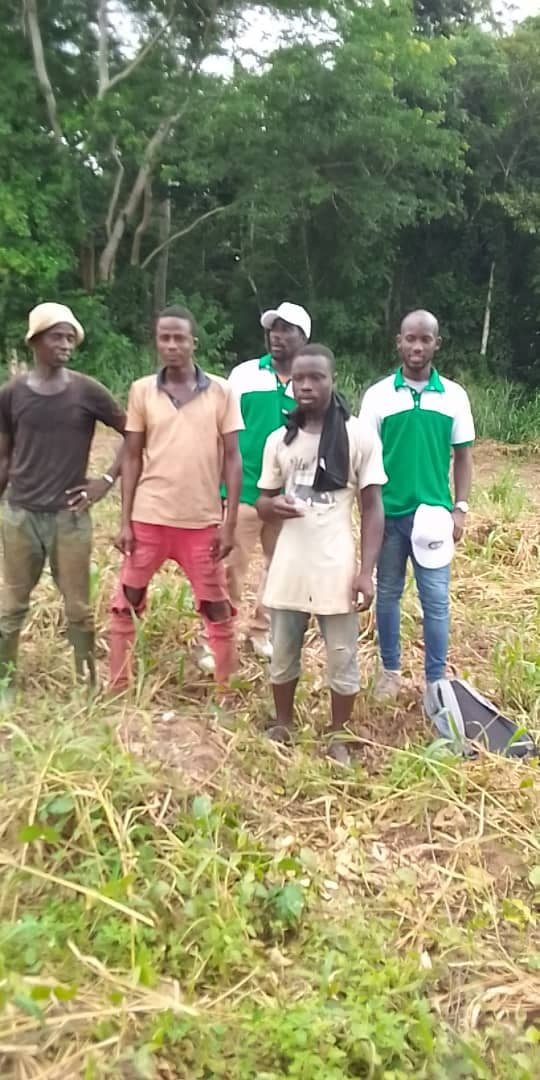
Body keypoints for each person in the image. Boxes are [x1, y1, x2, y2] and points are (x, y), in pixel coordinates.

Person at [256, 344, 386, 764]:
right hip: (290, 563)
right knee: (283, 650)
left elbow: (372, 507)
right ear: (290, 382)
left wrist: (366, 572)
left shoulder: (359, 436)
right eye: (299, 379)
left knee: (343, 657)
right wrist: (268, 507)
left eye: (316, 378)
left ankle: (339, 735)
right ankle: (282, 722)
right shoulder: (280, 439)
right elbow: (263, 499)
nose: (307, 386)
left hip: (336, 564)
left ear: (332, 380)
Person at [109, 305, 243, 691]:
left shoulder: (221, 391)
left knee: (216, 605)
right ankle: (118, 684)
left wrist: (228, 523)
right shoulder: (141, 390)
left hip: (201, 522)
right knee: (126, 599)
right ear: (157, 343)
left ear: (193, 343)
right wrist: (124, 521)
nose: (171, 345)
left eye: (179, 338)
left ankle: (224, 687)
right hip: (149, 516)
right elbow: (131, 456)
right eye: (164, 338)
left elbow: (233, 459)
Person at [0, 302, 125, 696]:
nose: (65, 344)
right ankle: (5, 680)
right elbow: (4, 453)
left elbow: (135, 432)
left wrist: (105, 480)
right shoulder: (12, 394)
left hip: (69, 517)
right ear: (35, 340)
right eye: (57, 336)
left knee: (78, 609)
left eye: (71, 337)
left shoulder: (87, 391)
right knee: (11, 606)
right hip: (20, 513)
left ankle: (85, 683)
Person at [359, 309, 474, 712]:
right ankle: (390, 672)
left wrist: (460, 508)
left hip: (434, 519)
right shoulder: (377, 396)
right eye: (410, 338)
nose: (417, 346)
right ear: (399, 341)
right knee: (388, 595)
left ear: (436, 344)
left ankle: (435, 682)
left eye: (425, 339)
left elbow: (463, 457)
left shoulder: (454, 396)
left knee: (436, 601)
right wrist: (366, 515)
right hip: (388, 517)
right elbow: (365, 460)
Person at [198, 301, 311, 673]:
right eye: (273, 330)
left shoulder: (311, 381)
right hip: (244, 490)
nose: (277, 337)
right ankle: (215, 636)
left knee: (279, 570)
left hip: (290, 495)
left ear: (303, 338)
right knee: (229, 567)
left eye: (286, 330)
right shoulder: (244, 375)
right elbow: (223, 432)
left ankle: (261, 630)